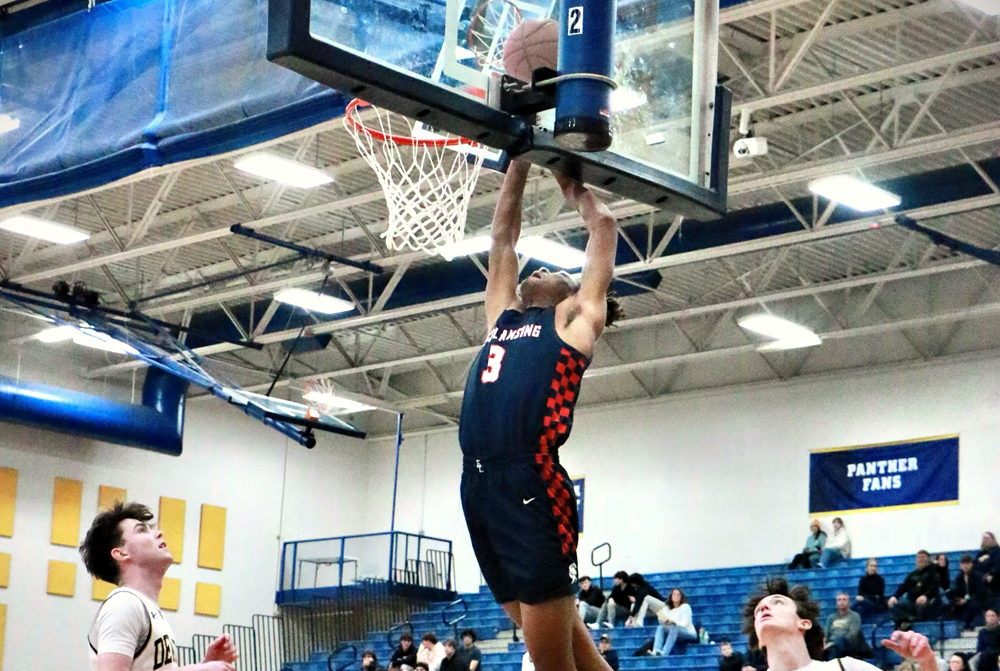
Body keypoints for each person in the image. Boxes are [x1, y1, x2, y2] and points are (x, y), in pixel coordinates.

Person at [458, 163, 620, 671]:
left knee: (551, 664)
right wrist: (518, 162)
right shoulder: (502, 317)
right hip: (477, 482)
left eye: (549, 271)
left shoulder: (575, 321)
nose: (535, 271)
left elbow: (605, 228)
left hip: (531, 481)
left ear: (572, 294)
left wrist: (573, 187)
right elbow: (503, 237)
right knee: (570, 650)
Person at [80, 501, 239, 671]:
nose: (158, 533)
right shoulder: (124, 604)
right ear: (120, 553)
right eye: (141, 530)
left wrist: (204, 665)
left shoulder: (146, 607)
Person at [742, 577, 939, 671]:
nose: (764, 609)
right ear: (759, 640)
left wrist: (927, 662)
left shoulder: (846, 668)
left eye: (777, 602)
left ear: (804, 623)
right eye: (759, 610)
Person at [888, 550, 942, 627]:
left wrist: (925, 596)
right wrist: (895, 596)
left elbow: (934, 587)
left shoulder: (933, 572)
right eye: (919, 557)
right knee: (894, 604)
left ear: (928, 560)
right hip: (912, 602)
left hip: (928, 601)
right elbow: (903, 586)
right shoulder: (912, 575)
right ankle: (908, 619)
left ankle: (910, 620)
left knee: (922, 604)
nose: (921, 559)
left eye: (923, 557)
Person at [652, 588, 698, 656]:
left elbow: (684, 624)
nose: (676, 596)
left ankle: (664, 652)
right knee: (660, 627)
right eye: (674, 594)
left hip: (688, 632)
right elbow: (663, 623)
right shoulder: (667, 608)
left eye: (678, 595)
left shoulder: (685, 607)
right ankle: (655, 651)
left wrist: (674, 623)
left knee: (674, 628)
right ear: (671, 597)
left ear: (681, 597)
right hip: (672, 632)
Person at [949, 555, 987, 630]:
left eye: (967, 564)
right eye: (963, 564)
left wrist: (967, 600)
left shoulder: (978, 577)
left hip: (977, 600)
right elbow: (956, 591)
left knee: (973, 605)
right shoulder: (959, 578)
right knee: (951, 605)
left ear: (971, 564)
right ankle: (955, 628)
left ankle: (968, 625)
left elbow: (981, 593)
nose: (965, 566)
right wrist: (957, 599)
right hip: (963, 601)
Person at [824, 593, 865, 658]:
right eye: (839, 600)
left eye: (844, 600)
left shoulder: (855, 616)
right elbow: (826, 634)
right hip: (831, 646)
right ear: (836, 603)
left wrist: (833, 643)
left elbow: (853, 634)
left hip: (848, 645)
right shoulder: (831, 618)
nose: (841, 602)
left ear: (849, 602)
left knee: (838, 641)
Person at [975, 533, 1000, 601]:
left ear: (993, 540)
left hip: (994, 581)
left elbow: (997, 565)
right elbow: (975, 564)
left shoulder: (997, 551)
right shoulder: (981, 552)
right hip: (980, 578)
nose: (985, 540)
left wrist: (991, 574)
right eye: (983, 538)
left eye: (987, 538)